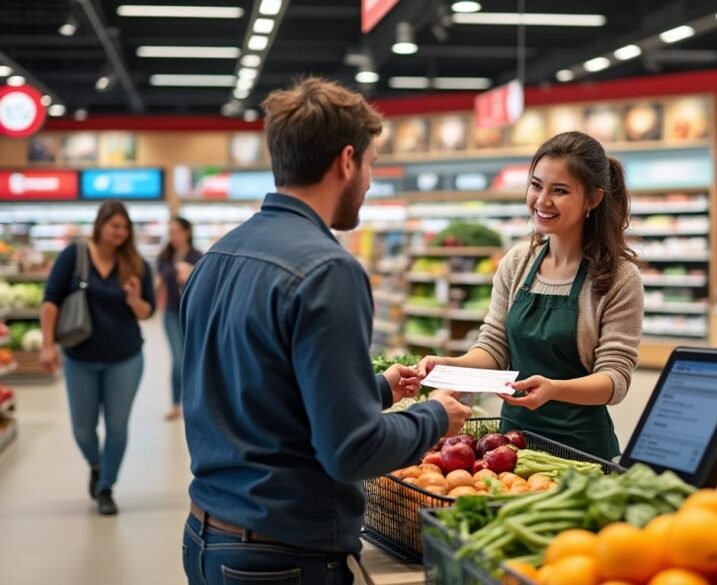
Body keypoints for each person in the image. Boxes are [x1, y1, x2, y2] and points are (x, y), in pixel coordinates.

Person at [179, 77, 472, 585]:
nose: (370, 181)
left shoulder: (220, 254)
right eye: (372, 165)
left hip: (207, 537)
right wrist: (433, 416)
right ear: (346, 161)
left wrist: (378, 389)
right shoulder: (327, 271)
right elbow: (350, 450)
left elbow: (262, 393)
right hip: (283, 557)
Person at [417, 131, 644, 460]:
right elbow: (494, 347)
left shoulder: (619, 279)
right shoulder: (517, 262)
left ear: (593, 199)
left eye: (560, 191)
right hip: (511, 445)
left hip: (580, 453)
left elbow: (614, 380)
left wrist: (555, 389)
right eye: (536, 185)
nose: (542, 201)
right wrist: (449, 364)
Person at [40, 201, 155, 516]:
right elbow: (50, 302)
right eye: (114, 226)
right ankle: (95, 464)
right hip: (80, 356)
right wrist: (47, 345)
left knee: (117, 426)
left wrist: (133, 299)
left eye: (124, 227)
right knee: (83, 428)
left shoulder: (136, 264)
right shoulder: (74, 256)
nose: (120, 233)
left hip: (125, 357)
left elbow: (148, 311)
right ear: (100, 224)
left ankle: (106, 486)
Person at [155, 216, 202, 421]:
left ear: (187, 232)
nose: (172, 235)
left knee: (193, 358)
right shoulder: (165, 256)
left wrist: (190, 275)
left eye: (176, 231)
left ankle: (195, 401)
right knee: (178, 359)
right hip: (171, 313)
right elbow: (159, 282)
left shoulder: (197, 256)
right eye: (170, 231)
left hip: (192, 313)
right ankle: (176, 403)